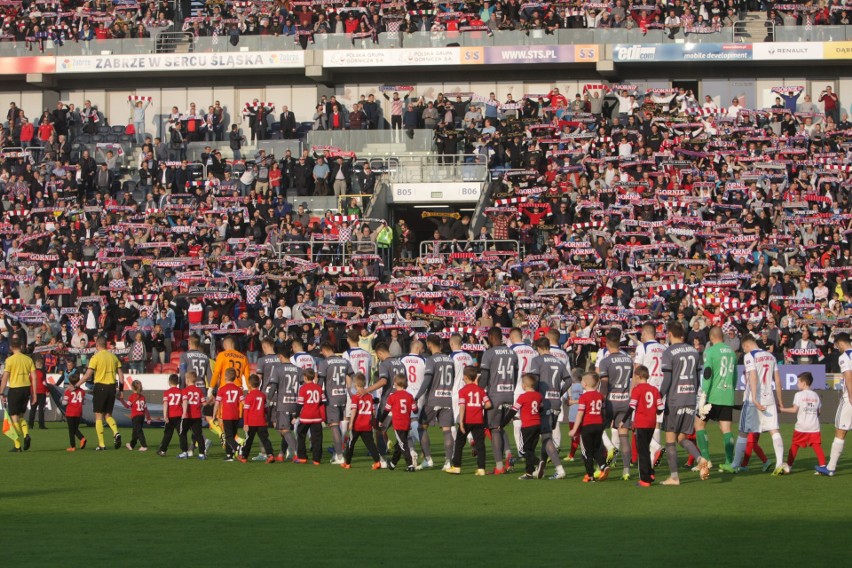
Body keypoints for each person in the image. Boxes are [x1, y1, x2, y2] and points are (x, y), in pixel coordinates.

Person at [659, 322, 711, 485]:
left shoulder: (668, 352)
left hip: (675, 400)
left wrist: (658, 397)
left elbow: (667, 379)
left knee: (669, 438)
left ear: (669, 334)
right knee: (682, 437)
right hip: (690, 399)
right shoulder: (694, 352)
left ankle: (674, 476)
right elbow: (697, 378)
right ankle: (700, 458)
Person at [729, 335, 785, 475]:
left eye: (743, 348)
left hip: (753, 400)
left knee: (743, 431)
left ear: (747, 345)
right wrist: (780, 402)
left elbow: (753, 376)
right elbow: (777, 380)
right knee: (774, 430)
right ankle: (779, 463)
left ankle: (735, 464)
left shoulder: (750, 356)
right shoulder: (771, 356)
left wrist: (754, 398)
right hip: (769, 398)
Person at [527, 337, 569, 479]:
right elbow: (568, 380)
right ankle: (541, 468)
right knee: (547, 435)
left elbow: (536, 381)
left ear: (538, 348)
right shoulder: (559, 361)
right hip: (556, 402)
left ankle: (559, 469)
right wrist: (559, 393)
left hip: (544, 401)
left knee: (545, 437)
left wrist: (537, 399)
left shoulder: (537, 360)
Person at [697, 327, 738, 470]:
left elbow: (707, 374)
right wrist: (731, 391)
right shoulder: (732, 353)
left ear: (711, 338)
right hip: (727, 396)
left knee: (699, 425)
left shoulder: (710, 351)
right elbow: (735, 376)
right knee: (726, 430)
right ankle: (729, 462)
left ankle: (706, 460)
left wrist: (703, 395)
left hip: (712, 396)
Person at [479, 326, 518, 474]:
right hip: (509, 394)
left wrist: (478, 392)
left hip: (495, 395)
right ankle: (508, 453)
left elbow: (484, 377)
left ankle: (499, 466)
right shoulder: (513, 354)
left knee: (494, 429)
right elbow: (515, 375)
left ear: (490, 338)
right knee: (501, 427)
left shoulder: (489, 353)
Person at [417, 334, 457, 471]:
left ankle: (428, 459)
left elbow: (427, 381)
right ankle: (448, 462)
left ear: (428, 344)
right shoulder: (450, 359)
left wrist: (416, 396)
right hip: (447, 398)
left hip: (433, 399)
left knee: (421, 427)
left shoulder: (431, 360)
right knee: (447, 431)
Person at [77, 336, 124, 451]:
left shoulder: (95, 357)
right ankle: (116, 432)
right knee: (108, 415)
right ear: (106, 345)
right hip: (112, 387)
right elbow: (121, 377)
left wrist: (77, 385)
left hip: (100, 387)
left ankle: (102, 444)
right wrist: (121, 390)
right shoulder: (113, 357)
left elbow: (88, 375)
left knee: (98, 416)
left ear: (97, 345)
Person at [598, 329, 634, 480]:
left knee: (597, 432)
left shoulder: (605, 361)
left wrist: (601, 399)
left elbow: (604, 384)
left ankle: (601, 465)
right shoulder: (628, 360)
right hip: (625, 401)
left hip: (611, 402)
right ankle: (626, 471)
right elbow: (631, 381)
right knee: (624, 436)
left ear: (607, 343)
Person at [816, 333, 852, 476]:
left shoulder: (844, 357)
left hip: (848, 399)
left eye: (836, 345)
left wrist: (850, 396)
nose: (836, 348)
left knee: (840, 431)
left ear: (839, 343)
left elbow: (848, 376)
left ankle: (830, 467)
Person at [447, 366, 492, 476]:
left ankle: (456, 467)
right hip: (478, 421)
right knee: (480, 445)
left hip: (467, 420)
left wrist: (461, 422)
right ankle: (481, 468)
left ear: (465, 377)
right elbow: (488, 404)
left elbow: (462, 406)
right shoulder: (481, 390)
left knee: (459, 443)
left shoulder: (463, 391)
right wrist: (480, 408)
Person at [624, 366, 663, 487]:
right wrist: (653, 412)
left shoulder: (637, 390)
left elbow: (632, 407)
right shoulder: (654, 389)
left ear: (637, 376)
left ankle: (645, 479)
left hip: (641, 423)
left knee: (643, 451)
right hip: (652, 423)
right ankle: (650, 473)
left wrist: (624, 420)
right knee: (646, 448)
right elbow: (660, 409)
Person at [633, 322, 666, 461]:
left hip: (646, 388)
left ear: (646, 333)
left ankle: (654, 449)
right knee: (656, 422)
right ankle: (653, 457)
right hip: (661, 388)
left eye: (642, 334)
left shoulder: (642, 348)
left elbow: (637, 371)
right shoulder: (664, 348)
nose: (641, 337)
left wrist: (633, 390)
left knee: (639, 423)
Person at [780, 372, 825, 473]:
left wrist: (781, 409)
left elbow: (794, 410)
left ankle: (788, 467)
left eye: (798, 382)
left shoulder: (798, 395)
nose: (797, 384)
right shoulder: (816, 395)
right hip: (814, 426)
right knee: (817, 446)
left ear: (804, 383)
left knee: (795, 445)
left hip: (801, 427)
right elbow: (819, 412)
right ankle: (823, 466)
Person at [317, 341, 353, 465]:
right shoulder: (345, 361)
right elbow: (350, 378)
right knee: (342, 423)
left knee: (334, 426)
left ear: (325, 350)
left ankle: (339, 455)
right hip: (343, 395)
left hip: (331, 397)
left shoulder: (324, 363)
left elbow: (320, 383)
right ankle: (337, 452)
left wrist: (317, 397)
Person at [502, 374, 543, 480]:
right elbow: (541, 409)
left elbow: (513, 411)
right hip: (538, 425)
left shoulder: (523, 397)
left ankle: (539, 462)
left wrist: (502, 424)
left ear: (524, 385)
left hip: (527, 426)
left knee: (524, 450)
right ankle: (530, 473)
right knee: (531, 450)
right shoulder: (539, 396)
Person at [569, 372, 608, 482]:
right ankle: (603, 465)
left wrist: (574, 429)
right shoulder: (600, 396)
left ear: (585, 384)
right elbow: (603, 411)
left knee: (586, 452)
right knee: (596, 449)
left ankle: (590, 475)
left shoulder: (584, 397)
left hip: (587, 426)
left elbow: (580, 414)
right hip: (599, 425)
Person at [265, 349, 303, 462]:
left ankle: (298, 453)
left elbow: (273, 388)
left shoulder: (278, 369)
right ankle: (282, 453)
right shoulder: (298, 370)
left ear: (281, 356)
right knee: (284, 428)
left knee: (284, 430)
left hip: (283, 403)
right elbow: (303, 385)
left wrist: (267, 398)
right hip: (295, 403)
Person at [0, 339, 36, 452]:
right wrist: (34, 393)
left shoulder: (10, 360)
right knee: (21, 416)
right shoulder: (28, 359)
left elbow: (5, 377)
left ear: (11, 347)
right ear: (20, 346)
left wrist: (1, 392)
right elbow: (34, 377)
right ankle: (26, 435)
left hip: (15, 389)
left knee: (14, 417)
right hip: (26, 389)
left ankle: (17, 445)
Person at [342, 373, 384, 470]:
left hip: (357, 425)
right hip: (367, 425)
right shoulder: (369, 396)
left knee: (350, 443)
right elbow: (373, 410)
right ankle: (377, 462)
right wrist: (372, 420)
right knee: (371, 444)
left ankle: (347, 463)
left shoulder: (355, 397)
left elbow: (354, 410)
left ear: (355, 385)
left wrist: (351, 422)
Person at [238, 375, 275, 464]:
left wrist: (245, 423)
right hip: (261, 421)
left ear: (249, 385)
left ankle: (244, 457)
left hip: (251, 422)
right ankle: (270, 455)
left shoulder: (249, 396)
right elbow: (266, 409)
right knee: (265, 439)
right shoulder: (262, 395)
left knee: (249, 440)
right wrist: (266, 418)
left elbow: (246, 411)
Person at [384, 374, 417, 472]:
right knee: (399, 444)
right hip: (406, 423)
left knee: (403, 444)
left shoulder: (392, 397)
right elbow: (415, 410)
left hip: (398, 424)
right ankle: (393, 463)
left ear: (395, 383)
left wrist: (380, 420)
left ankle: (410, 464)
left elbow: (386, 410)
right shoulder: (409, 396)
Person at [295, 369, 326, 465]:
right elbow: (324, 401)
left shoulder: (303, 388)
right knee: (317, 438)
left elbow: (300, 404)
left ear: (305, 377)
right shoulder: (318, 388)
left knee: (301, 435)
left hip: (306, 417)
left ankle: (302, 457)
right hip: (316, 416)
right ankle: (316, 459)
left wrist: (295, 415)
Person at [212, 368, 244, 462]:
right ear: (235, 378)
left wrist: (214, 415)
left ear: (225, 377)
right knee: (232, 435)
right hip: (236, 415)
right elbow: (243, 402)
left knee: (228, 436)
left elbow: (217, 403)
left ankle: (238, 447)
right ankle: (230, 455)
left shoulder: (222, 389)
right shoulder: (238, 389)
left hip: (227, 415)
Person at [178, 370, 208, 460]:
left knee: (182, 433)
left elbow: (185, 401)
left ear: (187, 380)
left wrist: (184, 412)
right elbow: (204, 403)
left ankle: (184, 452)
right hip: (197, 416)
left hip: (187, 416)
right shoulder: (199, 391)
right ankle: (202, 453)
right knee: (198, 435)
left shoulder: (185, 390)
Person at [157, 374, 184, 457]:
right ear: (178, 382)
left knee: (167, 434)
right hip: (179, 415)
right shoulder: (181, 391)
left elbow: (165, 404)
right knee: (181, 434)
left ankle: (163, 451)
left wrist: (165, 415)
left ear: (169, 382)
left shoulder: (167, 392)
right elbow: (183, 404)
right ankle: (184, 451)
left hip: (170, 416)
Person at [122, 379, 151, 451]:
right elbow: (145, 408)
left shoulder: (132, 396)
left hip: (135, 416)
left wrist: (121, 400)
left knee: (138, 431)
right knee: (135, 431)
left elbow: (127, 406)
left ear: (132, 387)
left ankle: (144, 445)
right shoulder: (142, 397)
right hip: (142, 416)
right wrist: (148, 418)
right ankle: (132, 445)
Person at [61, 381, 87, 452]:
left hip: (70, 412)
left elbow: (64, 403)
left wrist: (62, 400)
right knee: (75, 428)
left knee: (71, 430)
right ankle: (82, 439)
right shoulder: (82, 391)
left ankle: (73, 446)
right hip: (78, 412)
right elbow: (83, 402)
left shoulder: (68, 391)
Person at [28, 355, 48, 430]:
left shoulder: (32, 373)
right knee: (41, 410)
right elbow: (45, 383)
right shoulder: (43, 373)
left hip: (34, 393)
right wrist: (47, 390)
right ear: (42, 365)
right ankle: (41, 425)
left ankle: (30, 425)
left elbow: (29, 382)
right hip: (42, 392)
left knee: (33, 409)